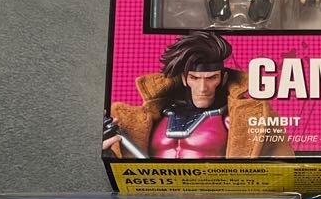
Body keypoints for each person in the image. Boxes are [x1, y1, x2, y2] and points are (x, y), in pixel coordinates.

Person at [103, 31, 292, 160]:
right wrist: (106, 151)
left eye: (211, 78)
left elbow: (282, 166)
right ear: (184, 79)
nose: (203, 88)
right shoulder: (148, 119)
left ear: (223, 78)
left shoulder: (243, 119)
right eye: (194, 77)